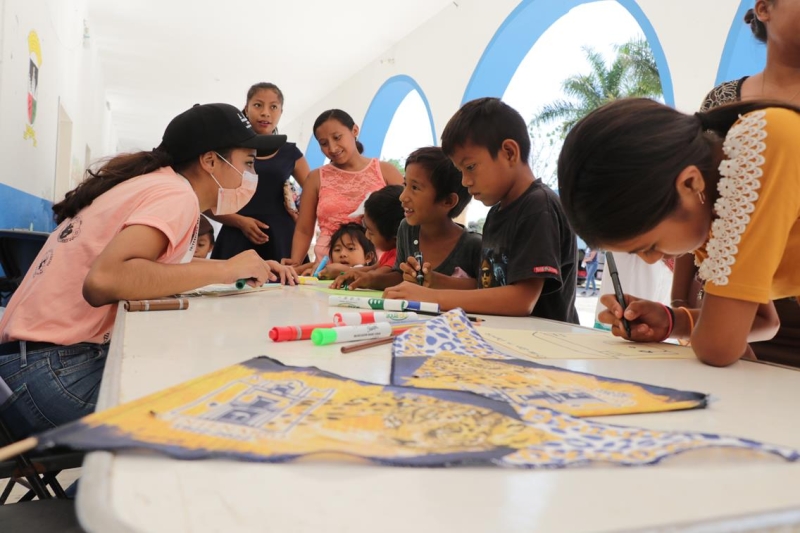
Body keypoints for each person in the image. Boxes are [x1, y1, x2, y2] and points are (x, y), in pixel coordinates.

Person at [0, 103, 298, 439]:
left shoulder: (157, 185)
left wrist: (234, 268)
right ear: (211, 160)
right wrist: (227, 269)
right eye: (247, 162)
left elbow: (156, 267)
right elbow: (105, 280)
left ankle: (92, 488)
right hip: (50, 373)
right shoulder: (176, 196)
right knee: (206, 417)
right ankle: (100, 492)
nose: (250, 175)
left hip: (24, 367)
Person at [557, 97, 800, 367]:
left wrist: (713, 334)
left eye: (649, 246)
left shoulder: (760, 148)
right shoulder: (710, 207)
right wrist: (671, 321)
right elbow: (765, 321)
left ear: (689, 182)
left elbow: (718, 346)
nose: (651, 259)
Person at [671, 0, 800, 365]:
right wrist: (680, 306)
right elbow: (700, 203)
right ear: (764, 8)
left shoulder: (775, 133)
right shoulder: (722, 101)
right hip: (735, 302)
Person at [385, 98, 579, 321]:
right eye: (461, 172)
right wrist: (437, 282)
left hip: (546, 345)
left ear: (509, 152)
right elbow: (489, 287)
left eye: (470, 167)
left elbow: (522, 300)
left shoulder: (538, 206)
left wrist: (431, 297)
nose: (466, 181)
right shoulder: (497, 214)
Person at [333, 147, 481, 291]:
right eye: (405, 185)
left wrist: (439, 282)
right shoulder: (408, 229)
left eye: (415, 188)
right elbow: (400, 276)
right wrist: (369, 279)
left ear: (448, 201)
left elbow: (485, 288)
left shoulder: (473, 246)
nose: (402, 197)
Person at [284, 109, 403, 269]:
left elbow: (405, 218)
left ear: (355, 130)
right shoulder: (315, 178)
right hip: (326, 263)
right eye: (324, 143)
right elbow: (304, 229)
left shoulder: (385, 171)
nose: (332, 148)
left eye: (337, 137)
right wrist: (296, 263)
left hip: (378, 264)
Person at [209, 83, 310, 262]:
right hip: (236, 236)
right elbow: (204, 201)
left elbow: (315, 196)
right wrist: (239, 222)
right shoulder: (227, 151)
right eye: (258, 105)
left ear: (281, 112)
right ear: (246, 109)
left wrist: (300, 216)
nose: (265, 112)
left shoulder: (291, 153)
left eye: (273, 107)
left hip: (281, 239)